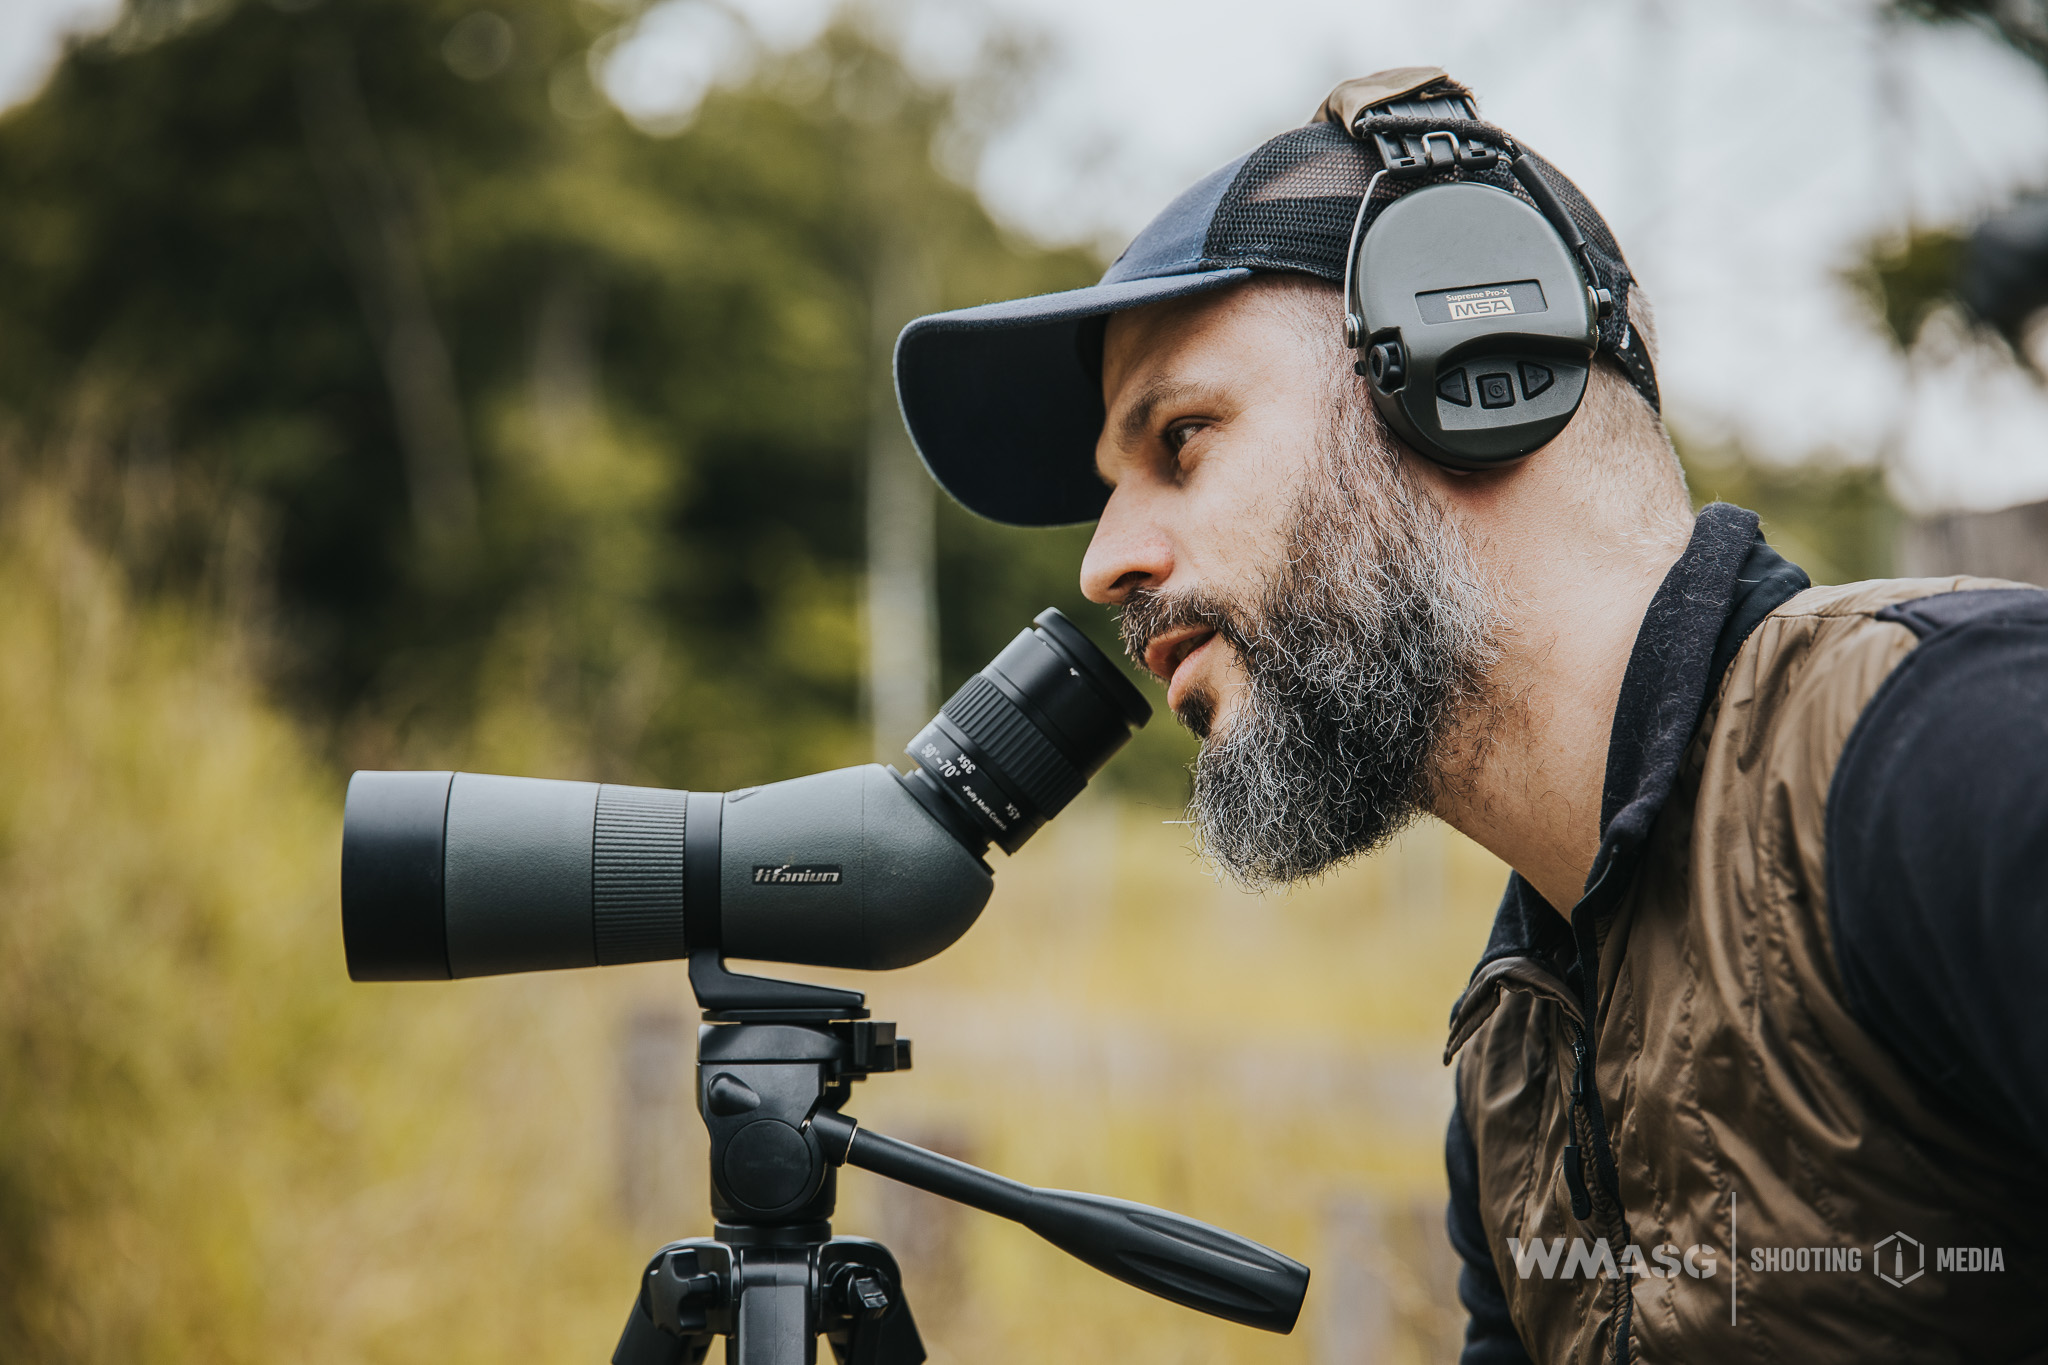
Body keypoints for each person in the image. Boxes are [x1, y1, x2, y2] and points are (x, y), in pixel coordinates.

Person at [891, 68, 2048, 1362]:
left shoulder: (1959, 759)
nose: (1106, 561)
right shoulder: (1520, 1060)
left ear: (1465, 364)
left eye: (1180, 438)